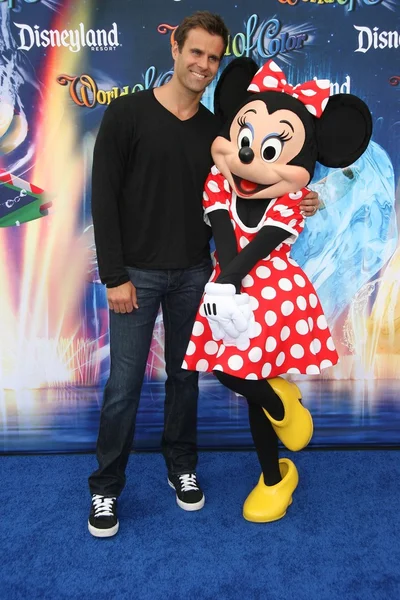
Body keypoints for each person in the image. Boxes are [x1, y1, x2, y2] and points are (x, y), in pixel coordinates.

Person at [88, 11, 320, 538]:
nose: (204, 65)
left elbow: (259, 183)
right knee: (123, 385)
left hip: (198, 275)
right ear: (175, 50)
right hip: (136, 277)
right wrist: (114, 275)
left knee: (185, 378)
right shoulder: (126, 115)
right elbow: (103, 197)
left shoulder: (219, 133)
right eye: (196, 53)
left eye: (214, 58)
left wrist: (305, 197)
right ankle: (105, 487)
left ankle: (181, 466)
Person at [183, 57, 372, 522]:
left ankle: (273, 478)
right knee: (238, 376)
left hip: (273, 292)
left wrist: (229, 280)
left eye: (268, 150)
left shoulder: (291, 197)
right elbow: (223, 228)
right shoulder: (218, 182)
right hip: (228, 286)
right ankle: (279, 401)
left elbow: (268, 241)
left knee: (249, 374)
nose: (248, 157)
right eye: (245, 141)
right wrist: (226, 280)